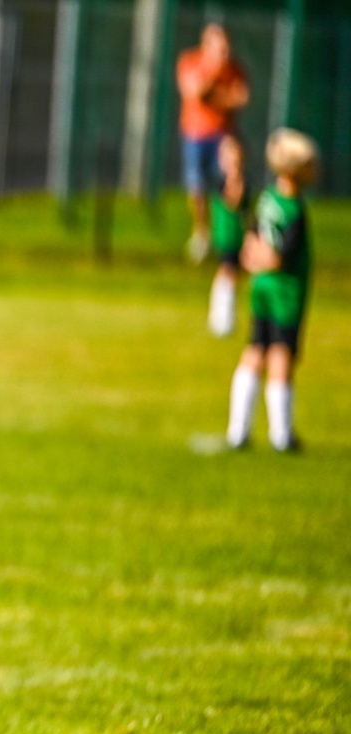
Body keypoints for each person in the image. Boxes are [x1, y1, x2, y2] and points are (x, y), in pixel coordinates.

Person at [225, 129, 316, 452]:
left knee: (254, 349)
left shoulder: (265, 199)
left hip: (259, 287)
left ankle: (238, 430)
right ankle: (281, 434)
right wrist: (269, 262)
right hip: (285, 293)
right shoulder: (294, 209)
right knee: (280, 355)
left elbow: (250, 239)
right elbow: (283, 256)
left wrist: (254, 262)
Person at [177, 24, 250, 264]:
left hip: (223, 134)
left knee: (228, 182)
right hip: (195, 133)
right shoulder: (190, 61)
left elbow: (241, 98)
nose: (224, 53)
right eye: (220, 47)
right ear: (206, 45)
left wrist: (214, 98)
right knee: (196, 186)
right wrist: (214, 76)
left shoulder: (235, 68)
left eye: (226, 47)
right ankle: (202, 232)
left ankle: (230, 236)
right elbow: (195, 93)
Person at [207, 133, 249, 337]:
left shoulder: (243, 180)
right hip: (226, 234)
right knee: (228, 272)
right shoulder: (222, 179)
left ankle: (223, 317)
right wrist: (234, 175)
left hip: (237, 234)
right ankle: (221, 319)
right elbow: (233, 200)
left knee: (232, 273)